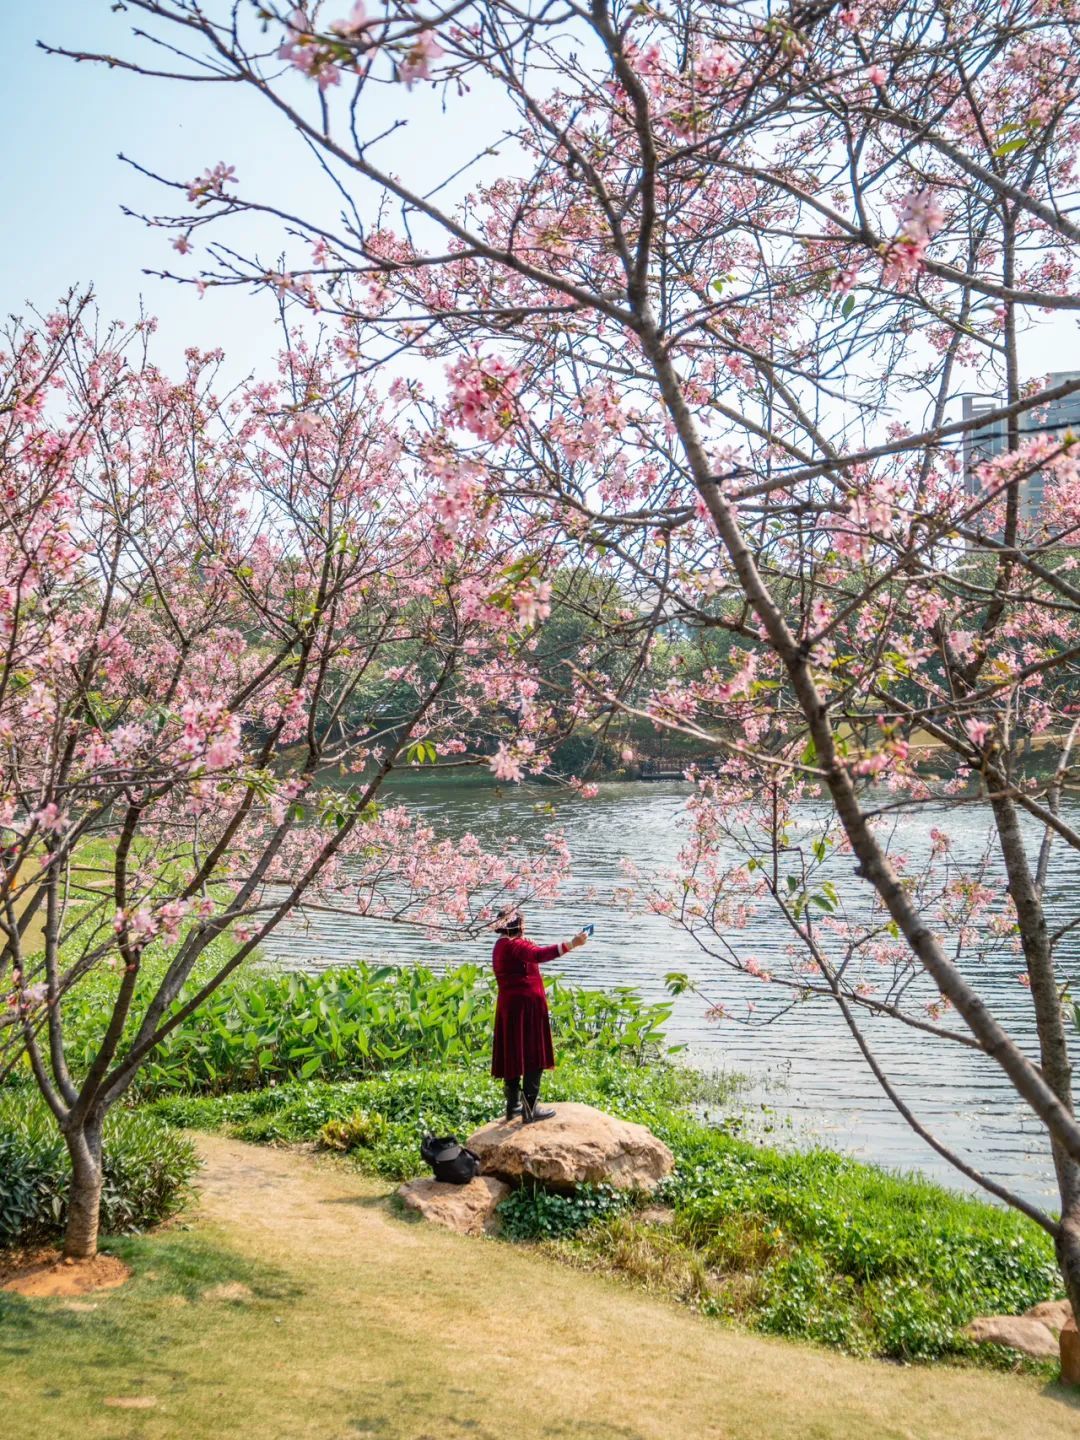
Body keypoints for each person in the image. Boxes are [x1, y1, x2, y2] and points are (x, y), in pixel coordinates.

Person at [490, 909, 588, 1124]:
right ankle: (530, 1109)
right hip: (528, 1006)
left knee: (513, 1052)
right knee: (534, 1053)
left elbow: (527, 960)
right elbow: (539, 955)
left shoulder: (502, 945)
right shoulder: (516, 946)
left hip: (509, 1006)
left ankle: (513, 1106)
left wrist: (528, 944)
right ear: (519, 925)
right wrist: (572, 943)